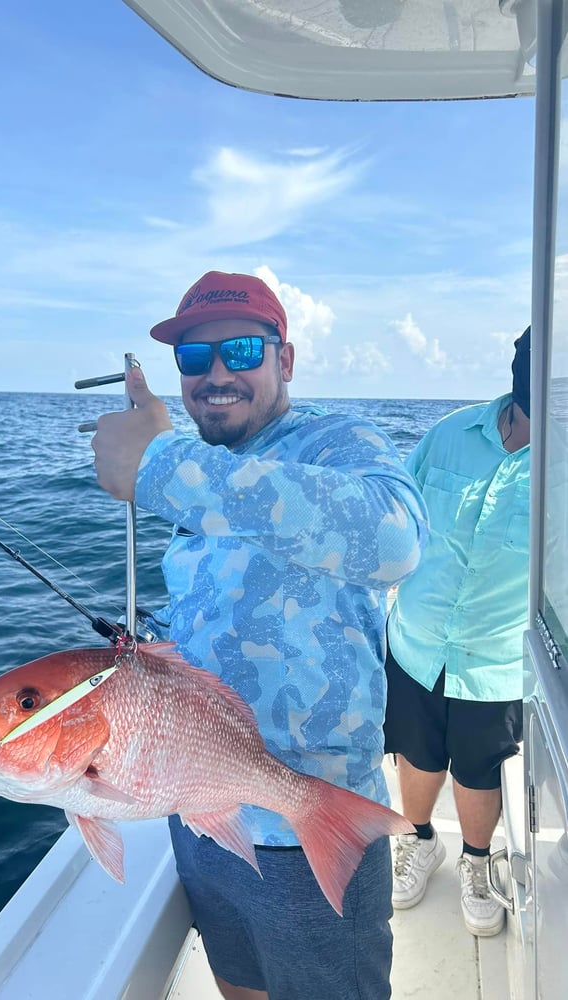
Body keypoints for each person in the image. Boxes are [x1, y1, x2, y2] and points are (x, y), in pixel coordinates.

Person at [91, 270, 428, 1000]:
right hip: (201, 813)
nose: (216, 375)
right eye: (193, 358)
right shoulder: (203, 469)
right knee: (237, 986)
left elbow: (394, 538)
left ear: (286, 359)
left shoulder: (334, 442)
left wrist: (161, 463)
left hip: (311, 826)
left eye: (241, 350)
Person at [383, 326, 530, 938]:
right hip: (416, 641)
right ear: (519, 362)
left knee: (479, 769)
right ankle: (419, 842)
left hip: (497, 657)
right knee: (415, 753)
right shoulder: (450, 432)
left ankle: (475, 860)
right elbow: (397, 519)